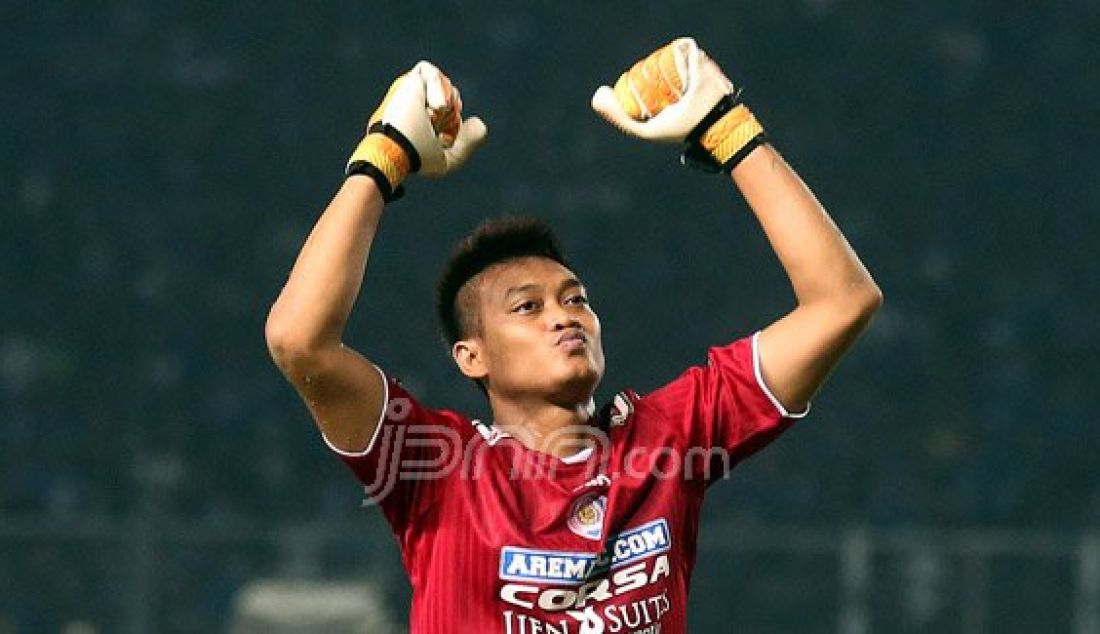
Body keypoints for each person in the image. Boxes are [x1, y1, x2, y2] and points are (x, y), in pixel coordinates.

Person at [266, 38, 881, 634]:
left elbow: (841, 303)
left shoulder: (666, 442)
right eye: (527, 307)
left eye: (575, 299)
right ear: (470, 356)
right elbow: (300, 341)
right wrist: (383, 156)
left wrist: (730, 129)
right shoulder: (433, 470)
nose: (565, 317)